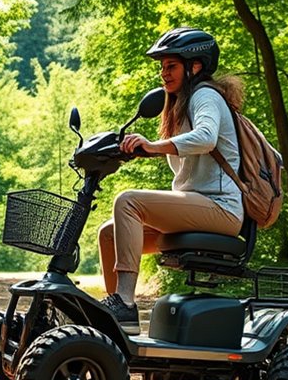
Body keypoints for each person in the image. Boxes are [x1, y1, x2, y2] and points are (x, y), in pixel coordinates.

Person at [98, 27, 245, 335]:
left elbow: (205, 138)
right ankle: (116, 320)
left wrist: (153, 145)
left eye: (171, 66)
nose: (164, 73)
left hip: (221, 209)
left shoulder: (205, 95)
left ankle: (125, 302)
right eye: (161, 67)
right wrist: (137, 150)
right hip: (199, 207)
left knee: (128, 201)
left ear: (195, 66)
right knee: (109, 234)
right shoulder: (180, 104)